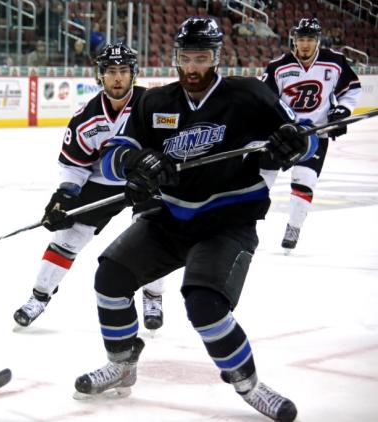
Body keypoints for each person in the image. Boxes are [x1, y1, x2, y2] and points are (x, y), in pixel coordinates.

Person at [73, 17, 318, 422]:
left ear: (217, 57)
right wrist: (136, 160)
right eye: (185, 58)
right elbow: (114, 155)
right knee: (110, 278)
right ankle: (122, 363)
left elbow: (305, 137)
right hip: (168, 218)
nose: (191, 67)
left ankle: (249, 385)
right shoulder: (155, 103)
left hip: (227, 222)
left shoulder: (249, 95)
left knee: (204, 304)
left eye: (201, 58)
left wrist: (294, 143)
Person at [13, 43, 166, 330]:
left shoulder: (153, 104)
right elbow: (74, 165)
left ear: (134, 73)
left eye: (123, 71)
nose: (117, 78)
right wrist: (64, 196)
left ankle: (153, 295)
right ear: (100, 76)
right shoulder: (87, 116)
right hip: (102, 183)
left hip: (144, 180)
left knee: (154, 233)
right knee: (68, 238)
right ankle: (39, 296)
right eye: (111, 72)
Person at [261, 18, 360, 252]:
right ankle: (244, 226)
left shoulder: (335, 62)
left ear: (317, 40)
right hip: (282, 135)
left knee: (304, 182)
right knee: (260, 182)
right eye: (301, 39)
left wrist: (341, 112)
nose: (305, 44)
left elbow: (351, 90)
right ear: (294, 41)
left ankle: (293, 227)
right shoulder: (278, 67)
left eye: (310, 39)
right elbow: (265, 101)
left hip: (314, 136)